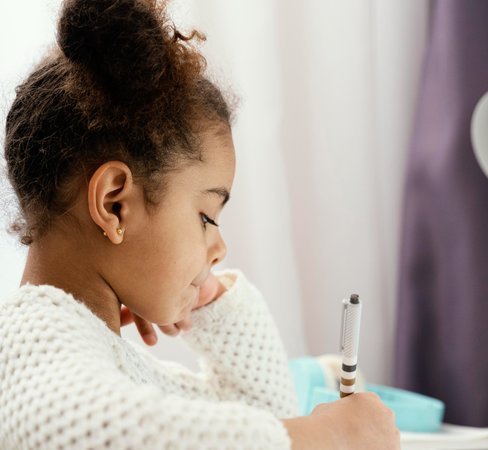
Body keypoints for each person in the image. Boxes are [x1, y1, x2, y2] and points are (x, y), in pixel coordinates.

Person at [0, 0, 399, 448]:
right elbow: (74, 429)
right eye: (207, 217)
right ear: (115, 204)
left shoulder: (96, 357)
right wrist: (324, 437)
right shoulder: (35, 338)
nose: (220, 247)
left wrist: (215, 304)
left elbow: (261, 417)